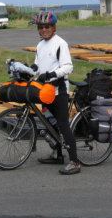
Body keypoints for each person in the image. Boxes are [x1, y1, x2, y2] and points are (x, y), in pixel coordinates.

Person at [33, 11, 81, 175]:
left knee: (62, 124)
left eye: (47, 26)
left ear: (54, 27)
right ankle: (58, 155)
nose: (44, 29)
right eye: (41, 27)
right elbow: (38, 66)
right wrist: (28, 70)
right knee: (49, 122)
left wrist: (52, 74)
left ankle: (75, 161)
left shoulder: (60, 43)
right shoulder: (40, 45)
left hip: (58, 90)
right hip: (45, 91)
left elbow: (68, 67)